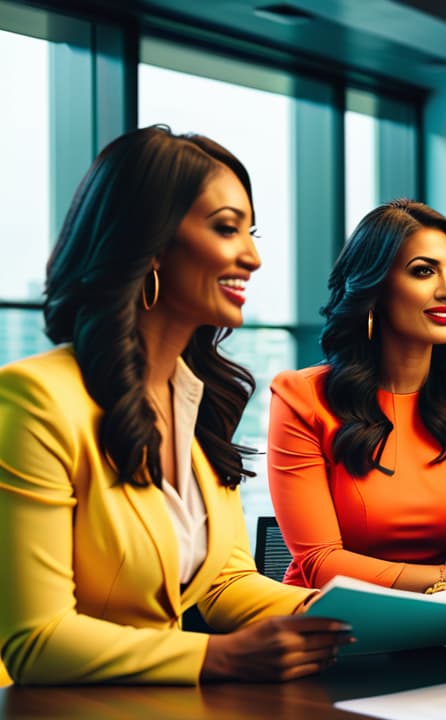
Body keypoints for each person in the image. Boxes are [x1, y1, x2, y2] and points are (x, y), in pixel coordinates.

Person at [0, 125, 351, 685]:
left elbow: (225, 582)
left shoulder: (199, 402)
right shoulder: (37, 400)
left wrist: (374, 623)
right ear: (153, 243)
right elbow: (36, 640)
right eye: (227, 229)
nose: (254, 257)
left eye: (250, 232)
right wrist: (218, 657)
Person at [267, 200, 446, 596]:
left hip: (438, 616)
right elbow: (321, 564)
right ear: (374, 289)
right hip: (327, 624)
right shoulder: (301, 398)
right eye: (423, 272)